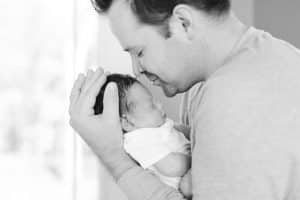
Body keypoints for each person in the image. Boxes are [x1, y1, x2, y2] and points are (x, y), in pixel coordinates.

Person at [69, 0, 300, 199]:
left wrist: (115, 159)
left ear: (183, 23)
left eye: (139, 52)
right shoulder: (264, 60)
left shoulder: (232, 100)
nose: (137, 70)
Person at [93, 73, 192, 197]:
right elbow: (172, 167)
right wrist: (195, 156)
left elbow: (180, 130)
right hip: (180, 187)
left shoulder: (156, 125)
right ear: (127, 122)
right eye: (152, 106)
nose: (160, 106)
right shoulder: (138, 142)